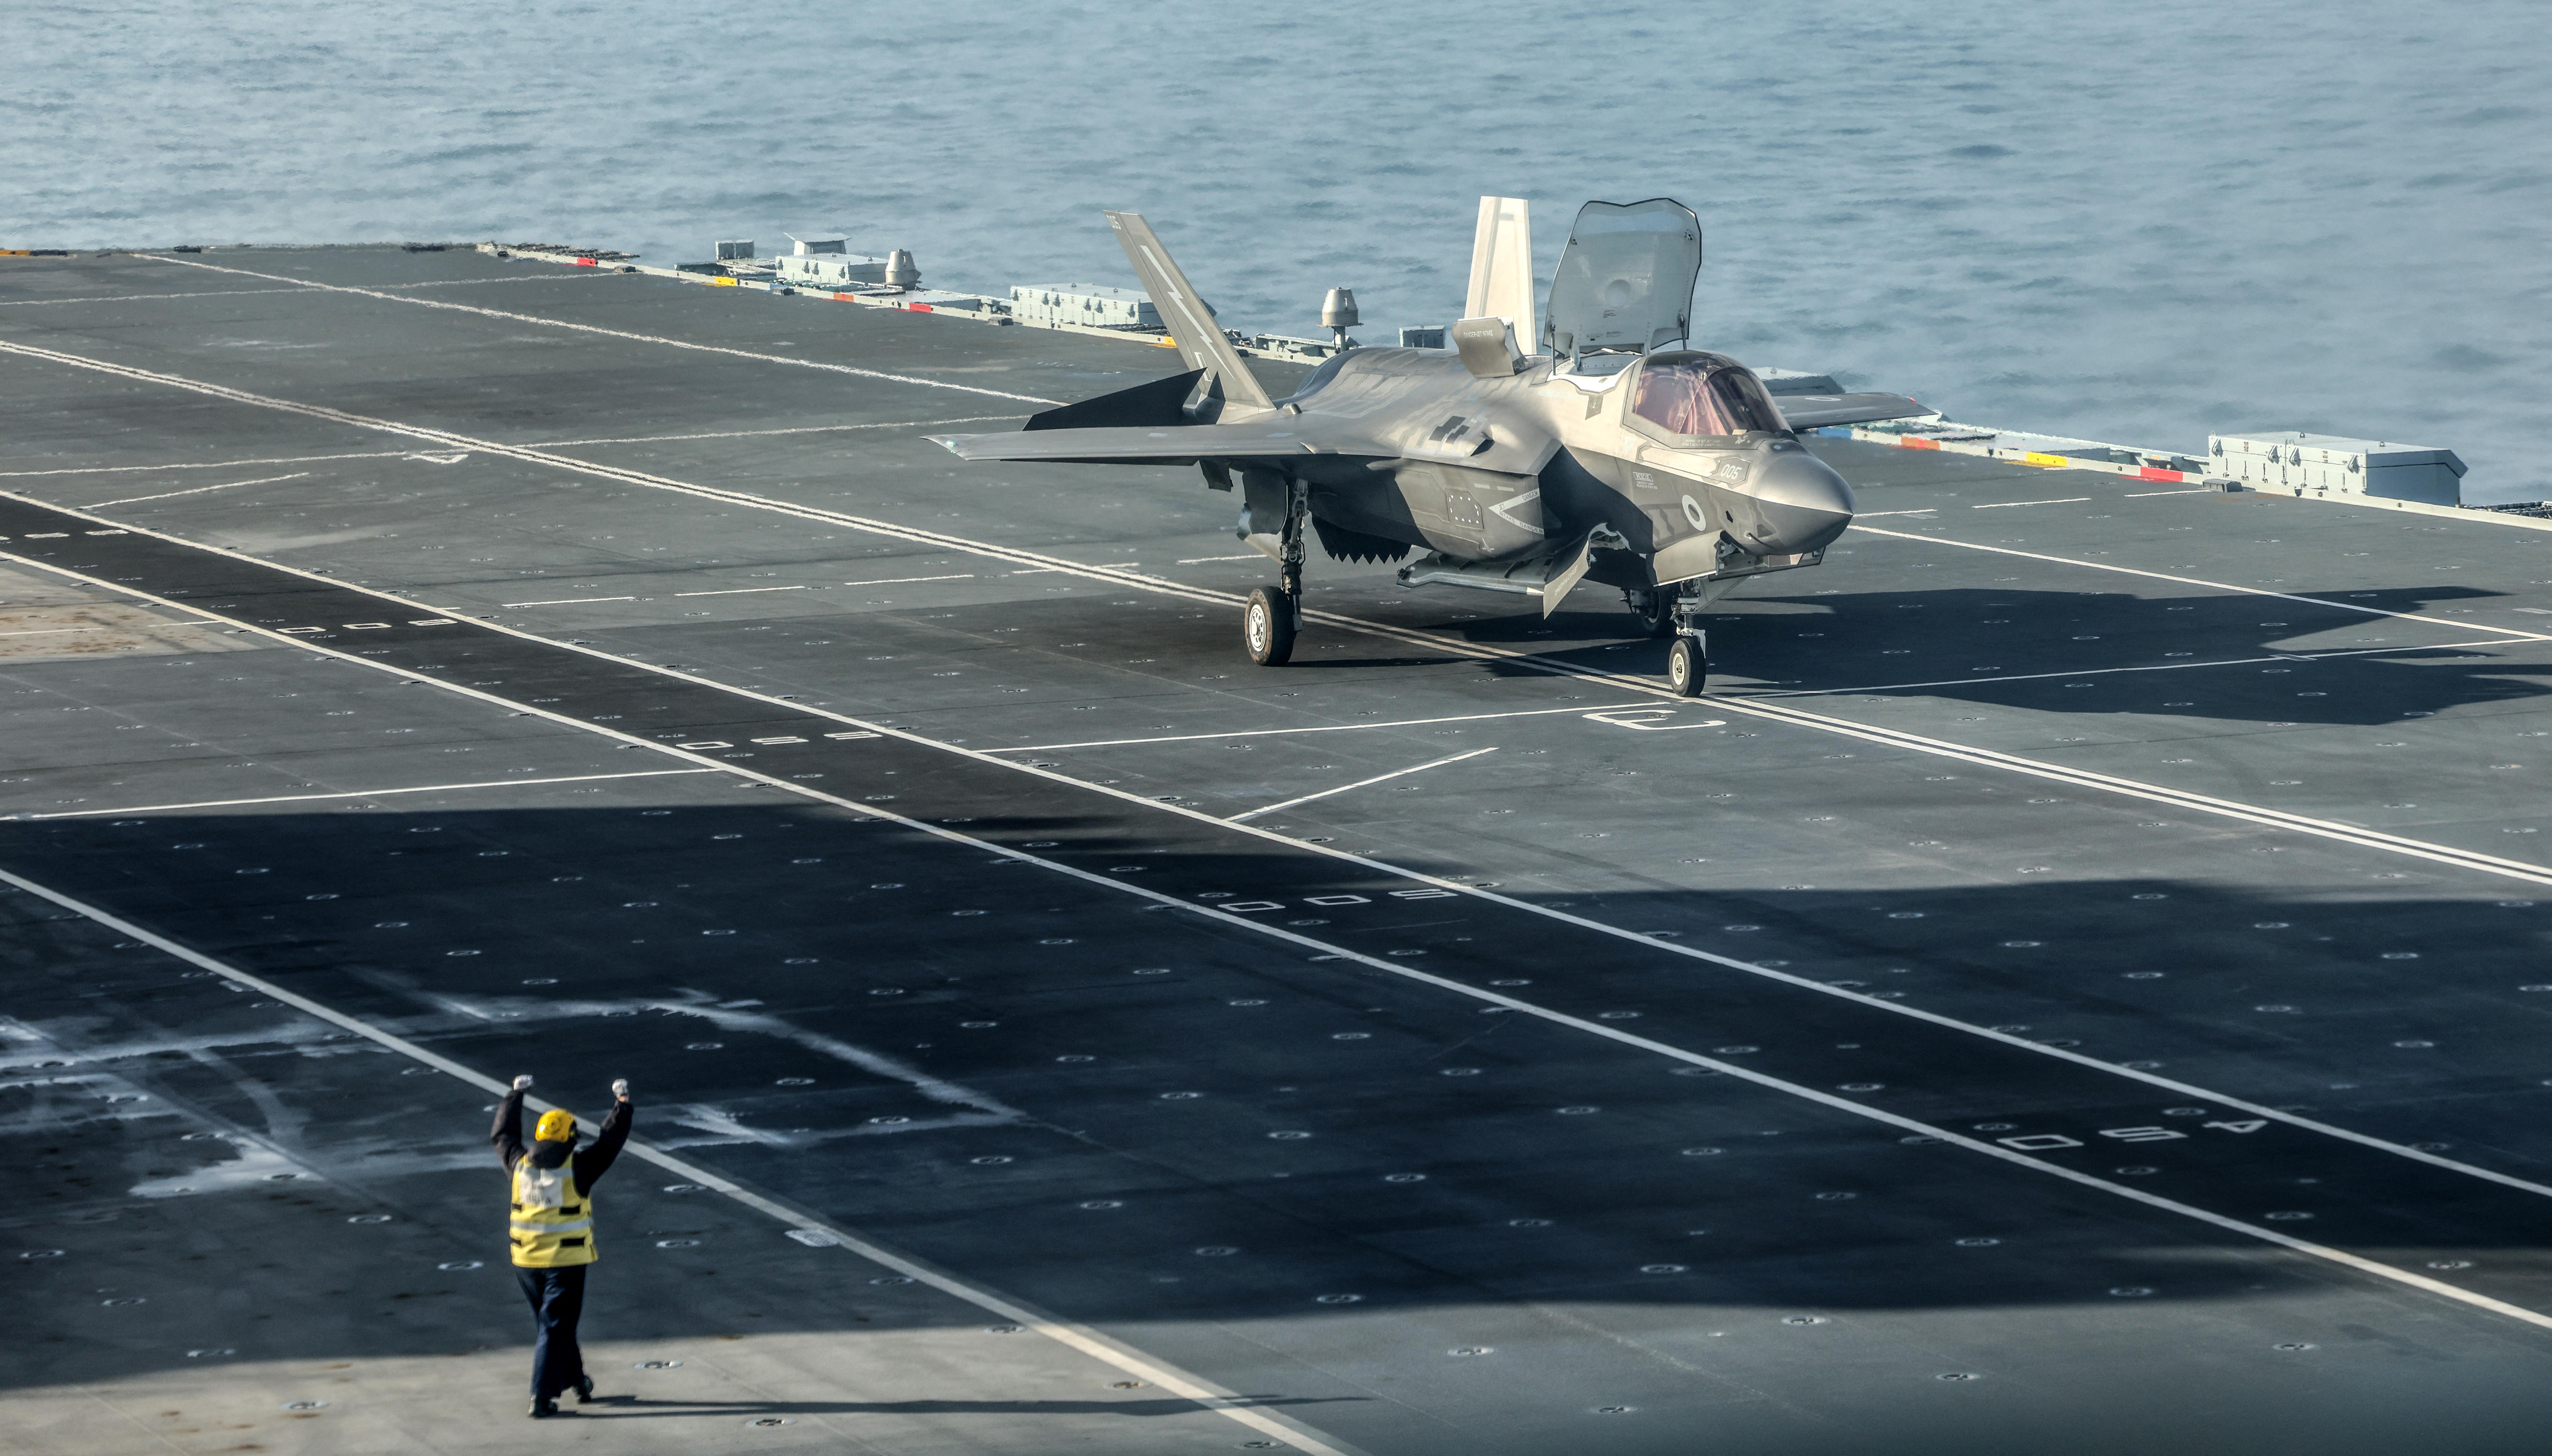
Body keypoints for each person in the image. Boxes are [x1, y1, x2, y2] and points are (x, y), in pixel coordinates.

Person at [492, 1073, 633, 1418]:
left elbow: (503, 1135)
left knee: (554, 1325)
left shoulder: (518, 1164)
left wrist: (515, 1096)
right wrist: (622, 1106)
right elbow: (610, 1142)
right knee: (556, 1326)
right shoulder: (579, 1168)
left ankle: (578, 1383)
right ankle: (541, 1397)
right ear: (570, 1139)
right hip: (566, 1262)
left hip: (525, 1260)